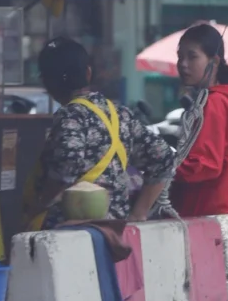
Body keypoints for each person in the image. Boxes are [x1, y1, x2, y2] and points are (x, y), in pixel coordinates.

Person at [31, 37, 175, 229]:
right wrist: (139, 213)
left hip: (70, 232)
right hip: (115, 230)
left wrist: (41, 204)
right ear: (88, 73)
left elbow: (67, 164)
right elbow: (164, 157)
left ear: (48, 83)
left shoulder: (69, 116)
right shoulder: (120, 113)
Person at [169, 22, 228, 218]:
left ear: (214, 62)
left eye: (192, 57)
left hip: (210, 213)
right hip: (224, 212)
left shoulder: (214, 102)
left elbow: (205, 165)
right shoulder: (224, 100)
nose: (183, 64)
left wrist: (162, 165)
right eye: (180, 57)